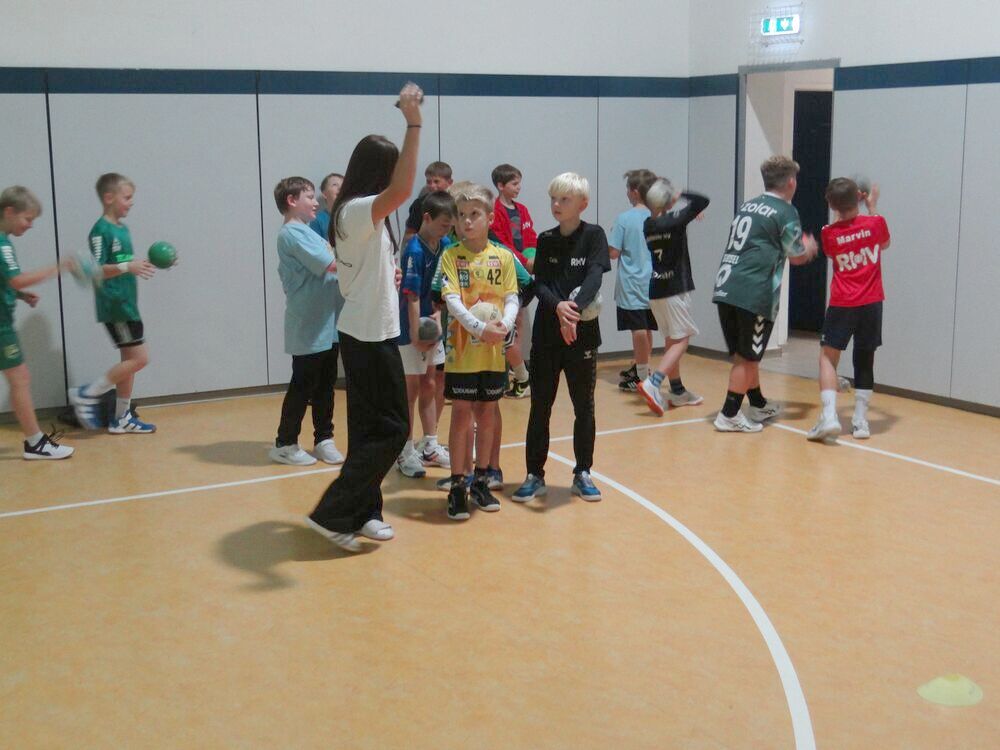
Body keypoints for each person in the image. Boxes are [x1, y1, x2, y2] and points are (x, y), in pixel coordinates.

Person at [306, 82, 424, 552]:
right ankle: (332, 514)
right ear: (381, 171)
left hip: (369, 330)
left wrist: (386, 274)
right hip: (368, 336)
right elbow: (405, 189)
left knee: (368, 431)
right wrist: (414, 122)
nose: (397, 176)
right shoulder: (356, 210)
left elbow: (367, 263)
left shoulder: (360, 215)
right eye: (392, 168)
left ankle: (365, 511)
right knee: (394, 430)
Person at [512, 173, 610, 503]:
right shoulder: (546, 239)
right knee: (540, 405)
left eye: (564, 199)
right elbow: (540, 284)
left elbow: (594, 278)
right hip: (547, 335)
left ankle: (583, 472)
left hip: (583, 335)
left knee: (584, 406)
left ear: (583, 204)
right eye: (553, 198)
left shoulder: (594, 236)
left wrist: (574, 312)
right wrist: (559, 309)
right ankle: (534, 474)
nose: (556, 204)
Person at [710, 156, 818, 433]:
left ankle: (757, 403)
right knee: (749, 357)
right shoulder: (786, 211)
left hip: (726, 285)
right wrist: (809, 247)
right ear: (791, 182)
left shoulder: (748, 206)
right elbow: (796, 256)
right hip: (754, 292)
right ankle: (729, 414)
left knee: (746, 354)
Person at [438, 183, 518, 520]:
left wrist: (504, 327)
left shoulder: (503, 257)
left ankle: (482, 480)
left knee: (487, 413)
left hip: (493, 352)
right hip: (462, 353)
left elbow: (512, 297)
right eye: (461, 215)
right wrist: (479, 328)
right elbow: (452, 301)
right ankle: (458, 485)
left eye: (474, 214)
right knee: (461, 414)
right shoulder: (450, 256)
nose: (467, 221)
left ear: (490, 218)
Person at [68, 173, 158, 434]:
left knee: (129, 362)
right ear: (109, 198)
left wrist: (140, 264)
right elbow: (95, 270)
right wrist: (127, 266)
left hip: (128, 303)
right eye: (127, 197)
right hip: (115, 305)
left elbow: (124, 264)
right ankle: (88, 393)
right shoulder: (101, 230)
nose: (131, 202)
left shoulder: (122, 229)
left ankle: (121, 418)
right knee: (140, 359)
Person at [269, 176, 345, 466]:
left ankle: (324, 438)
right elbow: (331, 264)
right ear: (291, 201)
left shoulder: (308, 231)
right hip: (308, 324)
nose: (316, 202)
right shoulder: (291, 233)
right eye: (309, 197)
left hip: (328, 322)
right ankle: (285, 443)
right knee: (303, 386)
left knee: (326, 385)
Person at [807, 178, 890, 442]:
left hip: (843, 303)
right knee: (865, 359)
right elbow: (884, 244)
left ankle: (830, 416)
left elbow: (833, 251)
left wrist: (843, 210)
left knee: (827, 358)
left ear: (832, 205)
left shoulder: (828, 233)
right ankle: (861, 421)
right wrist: (872, 206)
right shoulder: (875, 223)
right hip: (872, 303)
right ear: (859, 198)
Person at [0, 186, 75, 459]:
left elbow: (8, 283)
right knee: (20, 378)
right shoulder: (3, 244)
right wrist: (57, 268)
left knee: (19, 378)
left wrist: (19, 295)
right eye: (27, 219)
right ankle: (35, 443)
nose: (30, 225)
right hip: (1, 327)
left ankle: (35, 442)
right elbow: (15, 279)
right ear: (9, 211)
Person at [637, 178, 711, 415]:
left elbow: (687, 212)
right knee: (681, 341)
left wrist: (684, 210)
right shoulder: (675, 220)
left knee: (672, 339)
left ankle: (678, 391)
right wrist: (680, 194)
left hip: (656, 290)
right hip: (675, 289)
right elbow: (703, 201)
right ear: (668, 200)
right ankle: (654, 382)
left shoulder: (648, 224)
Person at [395, 190, 455, 478]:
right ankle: (404, 450)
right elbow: (412, 296)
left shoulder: (445, 245)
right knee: (411, 389)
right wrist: (416, 333)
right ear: (427, 218)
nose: (447, 231)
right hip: (411, 328)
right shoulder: (414, 250)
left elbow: (442, 286)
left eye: (450, 226)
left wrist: (437, 317)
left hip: (433, 324)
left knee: (431, 383)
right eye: (444, 225)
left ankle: (430, 445)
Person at [490, 163, 537, 399]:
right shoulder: (494, 211)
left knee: (515, 329)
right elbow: (501, 244)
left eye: (519, 183)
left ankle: (521, 377)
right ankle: (520, 376)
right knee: (506, 329)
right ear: (500, 185)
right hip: (506, 273)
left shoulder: (522, 210)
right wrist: (523, 261)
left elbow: (530, 238)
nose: (518, 188)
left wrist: (531, 258)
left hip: (522, 275)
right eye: (514, 184)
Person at [609, 169, 657, 392]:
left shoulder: (624, 219)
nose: (627, 193)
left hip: (632, 283)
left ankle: (641, 377)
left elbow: (613, 253)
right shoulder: (657, 217)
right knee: (646, 327)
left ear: (635, 192)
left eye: (628, 189)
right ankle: (642, 366)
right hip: (654, 282)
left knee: (638, 328)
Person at [402, 162, 454, 244]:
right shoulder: (419, 204)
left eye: (436, 181)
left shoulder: (456, 203)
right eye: (429, 182)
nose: (432, 186)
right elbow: (408, 235)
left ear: (450, 182)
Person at [308, 172, 343, 239]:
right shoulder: (317, 220)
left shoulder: (352, 214)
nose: (340, 187)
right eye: (334, 185)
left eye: (343, 185)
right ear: (324, 194)